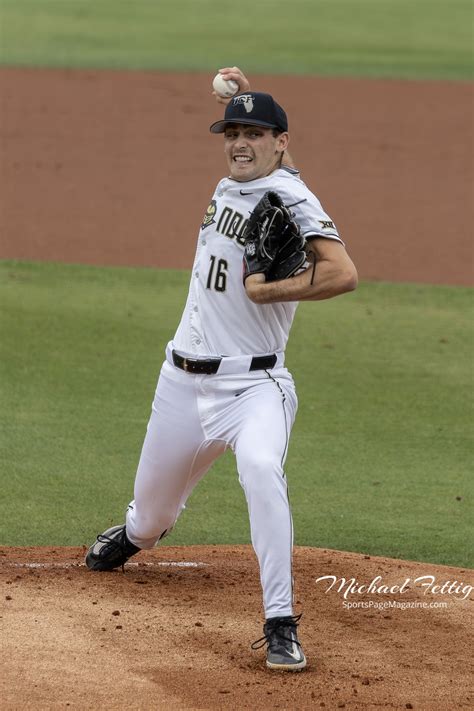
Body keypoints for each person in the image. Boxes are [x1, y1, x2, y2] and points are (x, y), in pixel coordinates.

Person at [86, 67, 358, 672]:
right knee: (152, 519)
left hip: (253, 387)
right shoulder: (244, 177)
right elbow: (267, 153)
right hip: (181, 383)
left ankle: (280, 620)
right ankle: (136, 535)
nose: (240, 142)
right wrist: (240, 96)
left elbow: (343, 273)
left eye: (255, 133)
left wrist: (274, 290)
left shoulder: (294, 198)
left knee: (261, 468)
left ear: (280, 141)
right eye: (232, 131)